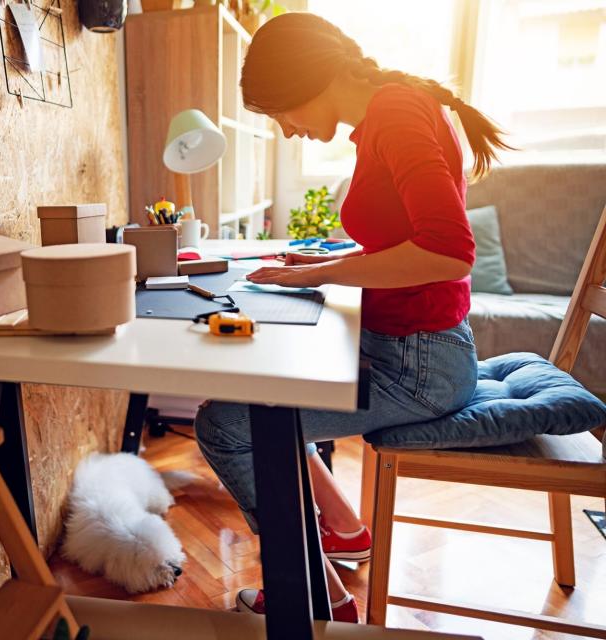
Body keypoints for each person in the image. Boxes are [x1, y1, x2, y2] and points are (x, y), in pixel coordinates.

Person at [194, 12, 512, 623]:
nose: (286, 133)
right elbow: (405, 240)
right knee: (265, 397)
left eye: (278, 114)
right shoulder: (387, 116)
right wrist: (328, 257)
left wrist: (317, 275)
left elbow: (447, 253)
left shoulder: (396, 112)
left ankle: (314, 597)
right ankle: (340, 531)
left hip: (422, 369)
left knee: (224, 426)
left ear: (303, 83)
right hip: (418, 352)